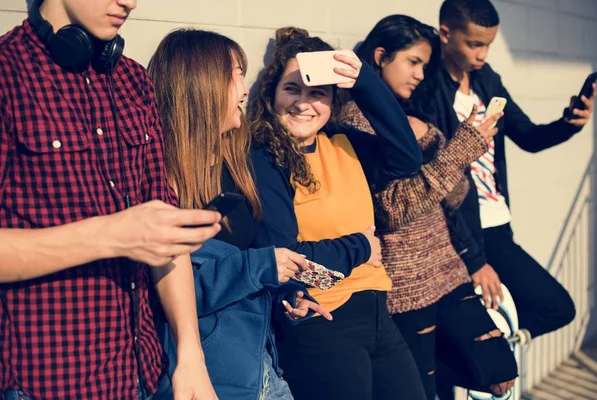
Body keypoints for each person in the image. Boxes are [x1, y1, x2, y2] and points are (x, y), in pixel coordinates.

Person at [0, 1, 222, 399]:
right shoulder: (6, 73)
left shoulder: (133, 79)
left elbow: (164, 231)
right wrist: (111, 236)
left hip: (142, 375)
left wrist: (191, 355)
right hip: (47, 383)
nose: (130, 2)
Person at [148, 28, 332, 400]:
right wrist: (259, 268)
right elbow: (168, 291)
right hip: (204, 379)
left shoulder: (239, 161)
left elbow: (253, 259)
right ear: (203, 86)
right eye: (236, 78)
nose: (245, 91)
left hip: (260, 368)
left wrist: (289, 291)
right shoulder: (154, 178)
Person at [340, 14, 517, 399]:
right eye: (413, 62)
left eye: (425, 65)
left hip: (448, 270)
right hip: (407, 284)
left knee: (500, 371)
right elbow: (392, 210)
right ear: (381, 56)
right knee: (423, 388)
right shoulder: (355, 122)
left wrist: (454, 146)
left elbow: (453, 195)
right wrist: (455, 153)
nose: (420, 75)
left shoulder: (412, 116)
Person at [248, 26, 427, 400]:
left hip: (378, 310)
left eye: (318, 93)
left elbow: (407, 158)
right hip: (323, 319)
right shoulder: (264, 158)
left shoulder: (344, 142)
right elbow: (284, 258)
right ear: (271, 93)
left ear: (333, 101)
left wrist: (364, 81)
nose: (303, 104)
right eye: (291, 89)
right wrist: (360, 248)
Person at [430, 0, 596, 340]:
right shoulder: (428, 91)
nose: (482, 54)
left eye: (488, 44)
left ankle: (504, 344)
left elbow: (529, 137)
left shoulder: (487, 80)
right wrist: (473, 259)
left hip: (498, 224)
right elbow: (436, 181)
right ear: (445, 33)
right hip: (461, 232)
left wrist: (569, 124)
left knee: (554, 307)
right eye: (474, 44)